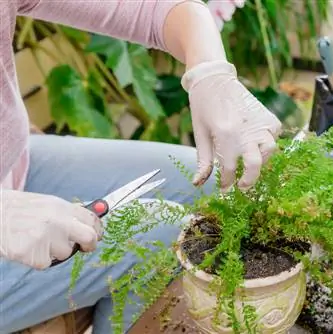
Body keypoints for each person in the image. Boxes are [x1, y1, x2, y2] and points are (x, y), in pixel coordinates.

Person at [0, 1, 282, 333]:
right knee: (154, 234)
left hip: (15, 167)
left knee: (219, 180)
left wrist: (211, 73)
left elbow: (155, 11)